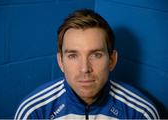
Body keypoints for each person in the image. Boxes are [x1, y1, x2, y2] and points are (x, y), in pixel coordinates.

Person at [14, 9, 159, 120]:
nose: (85, 69)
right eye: (72, 56)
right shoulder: (33, 112)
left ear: (112, 60)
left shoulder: (141, 113)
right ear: (61, 62)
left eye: (96, 55)